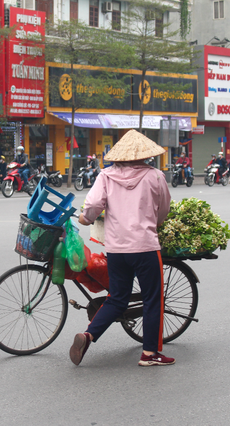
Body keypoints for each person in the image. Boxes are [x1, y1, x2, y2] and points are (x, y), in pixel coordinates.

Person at [72, 129, 174, 367]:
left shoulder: (106, 176)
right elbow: (164, 209)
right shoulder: (155, 176)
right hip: (145, 248)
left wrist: (86, 218)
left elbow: (93, 205)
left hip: (117, 249)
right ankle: (150, 354)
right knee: (152, 299)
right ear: (145, 155)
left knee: (117, 298)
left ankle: (89, 335)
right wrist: (155, 223)